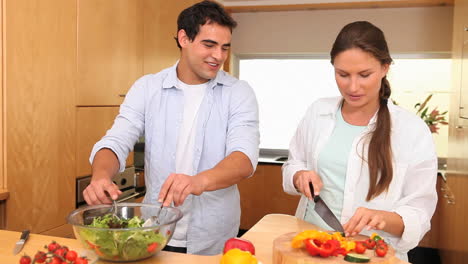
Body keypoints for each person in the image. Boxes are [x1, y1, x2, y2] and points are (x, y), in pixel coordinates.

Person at [82, 0, 259, 255]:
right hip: (156, 228)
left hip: (214, 235)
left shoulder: (239, 93)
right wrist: (100, 176)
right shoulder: (147, 88)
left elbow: (244, 158)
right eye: (209, 45)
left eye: (224, 47)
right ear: (183, 38)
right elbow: (117, 140)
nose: (218, 56)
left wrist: (200, 181)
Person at [282, 21, 437, 261]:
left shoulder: (412, 130)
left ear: (385, 68)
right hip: (311, 246)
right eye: (342, 74)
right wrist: (299, 175)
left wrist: (383, 218)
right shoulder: (317, 112)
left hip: (373, 253)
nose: (353, 87)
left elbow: (419, 212)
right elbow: (293, 163)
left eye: (365, 75)